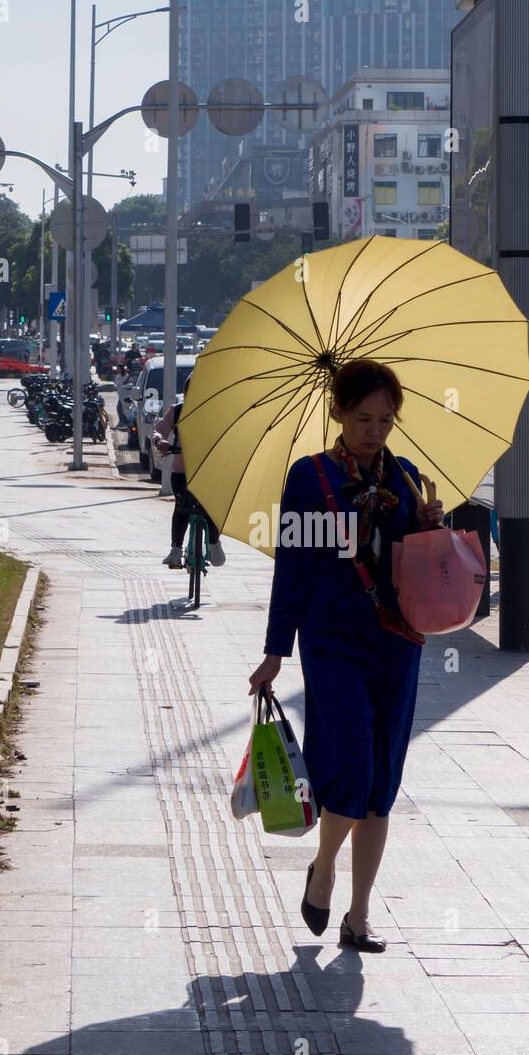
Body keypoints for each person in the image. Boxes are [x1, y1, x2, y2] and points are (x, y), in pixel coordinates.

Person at [248, 359, 443, 953]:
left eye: (386, 419)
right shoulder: (310, 480)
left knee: (382, 779)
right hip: (332, 644)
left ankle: (358, 917)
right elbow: (294, 570)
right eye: (363, 418)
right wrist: (275, 653)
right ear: (338, 413)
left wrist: (432, 526)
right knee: (353, 763)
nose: (375, 430)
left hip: (398, 643)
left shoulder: (407, 480)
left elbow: (422, 565)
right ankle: (325, 865)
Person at [153, 377, 226, 568]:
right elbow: (159, 430)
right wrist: (160, 442)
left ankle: (214, 544)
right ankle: (175, 551)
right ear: (185, 392)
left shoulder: (216, 413)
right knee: (181, 508)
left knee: (212, 508)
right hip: (181, 472)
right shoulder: (177, 411)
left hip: (209, 472)